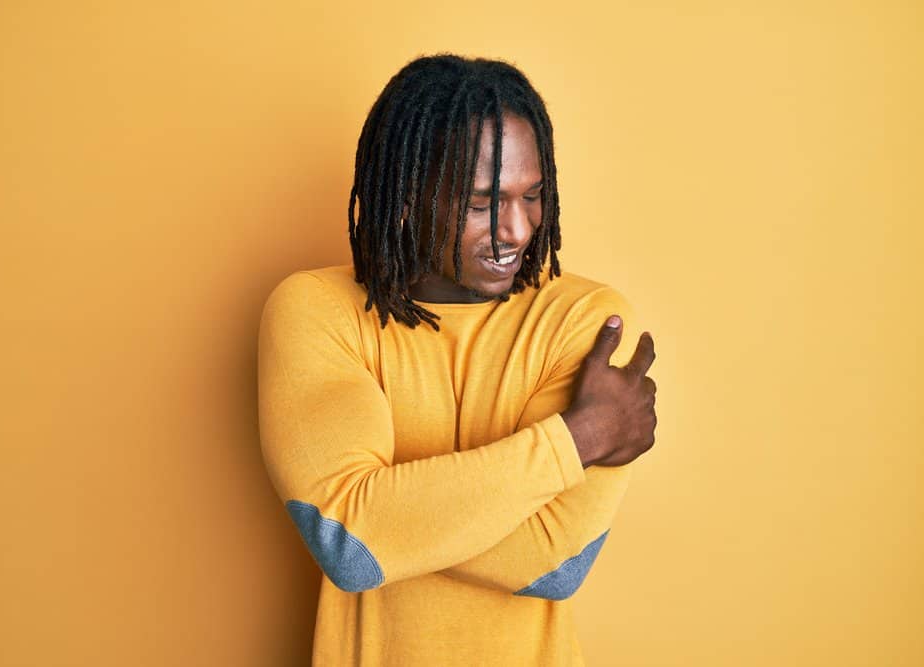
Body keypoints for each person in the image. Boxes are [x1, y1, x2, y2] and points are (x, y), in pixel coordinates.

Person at [258, 53, 658, 666]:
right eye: (481, 204)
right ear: (408, 193)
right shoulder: (318, 311)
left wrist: (386, 509)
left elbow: (554, 564)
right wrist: (576, 440)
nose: (518, 231)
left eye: (534, 196)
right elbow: (350, 547)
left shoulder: (587, 321)